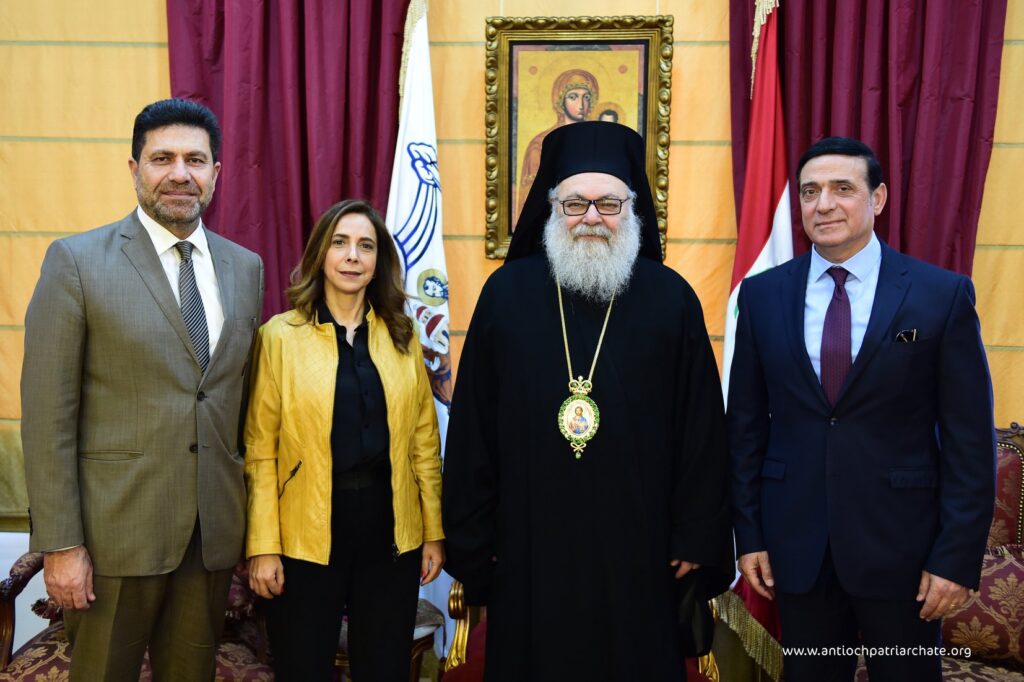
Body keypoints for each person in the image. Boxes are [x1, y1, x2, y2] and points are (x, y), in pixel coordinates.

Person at [443, 121, 734, 681]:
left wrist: (696, 533)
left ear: (633, 209)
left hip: (641, 548)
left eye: (609, 203)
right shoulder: (507, 295)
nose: (592, 218)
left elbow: (701, 428)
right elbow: (474, 425)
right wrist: (475, 541)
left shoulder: (671, 298)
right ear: (551, 207)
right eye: (575, 203)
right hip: (528, 547)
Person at [728, 136, 995, 681]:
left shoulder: (939, 295)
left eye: (841, 189)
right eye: (809, 192)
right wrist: (748, 536)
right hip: (797, 551)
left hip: (905, 554)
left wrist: (954, 558)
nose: (822, 204)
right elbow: (745, 430)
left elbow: (969, 441)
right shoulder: (761, 297)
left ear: (878, 199)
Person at [20, 98, 265, 680]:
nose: (180, 173)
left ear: (215, 174)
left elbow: (237, 403)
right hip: (113, 539)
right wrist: (60, 545)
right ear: (134, 169)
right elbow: (47, 415)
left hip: (209, 538)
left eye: (195, 160)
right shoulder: (76, 262)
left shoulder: (245, 267)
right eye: (162, 158)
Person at [245, 199, 444, 681]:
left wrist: (433, 531)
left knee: (384, 668)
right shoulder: (280, 337)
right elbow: (259, 451)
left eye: (365, 246)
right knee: (302, 667)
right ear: (320, 255)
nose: (353, 255)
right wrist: (263, 546)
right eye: (340, 243)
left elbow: (423, 441)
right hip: (305, 533)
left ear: (378, 262)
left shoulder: (402, 336)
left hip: (389, 530)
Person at [515, 68, 599, 220]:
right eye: (573, 97)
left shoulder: (598, 142)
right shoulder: (540, 145)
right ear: (560, 100)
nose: (581, 104)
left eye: (586, 97)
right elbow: (532, 200)